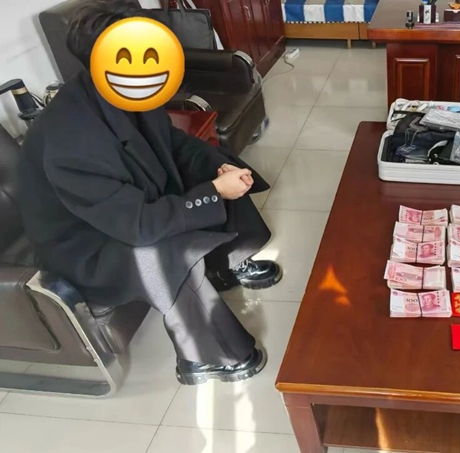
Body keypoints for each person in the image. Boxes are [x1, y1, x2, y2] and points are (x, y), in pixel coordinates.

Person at [16, 0, 283, 385]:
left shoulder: (126, 86)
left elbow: (172, 141)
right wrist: (212, 192)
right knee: (160, 251)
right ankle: (207, 357)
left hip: (123, 207)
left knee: (215, 164)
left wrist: (215, 169)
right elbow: (139, 226)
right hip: (86, 245)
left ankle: (226, 263)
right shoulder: (71, 140)